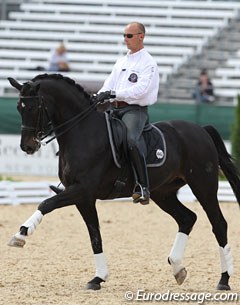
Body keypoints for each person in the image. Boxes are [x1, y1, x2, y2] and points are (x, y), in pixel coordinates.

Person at [96, 22, 159, 205]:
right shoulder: (122, 61)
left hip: (135, 110)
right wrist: (98, 96)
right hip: (114, 108)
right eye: (124, 35)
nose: (125, 39)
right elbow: (109, 83)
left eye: (129, 36)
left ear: (141, 36)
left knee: (131, 139)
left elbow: (140, 90)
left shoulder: (149, 63)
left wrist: (115, 94)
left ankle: (143, 186)